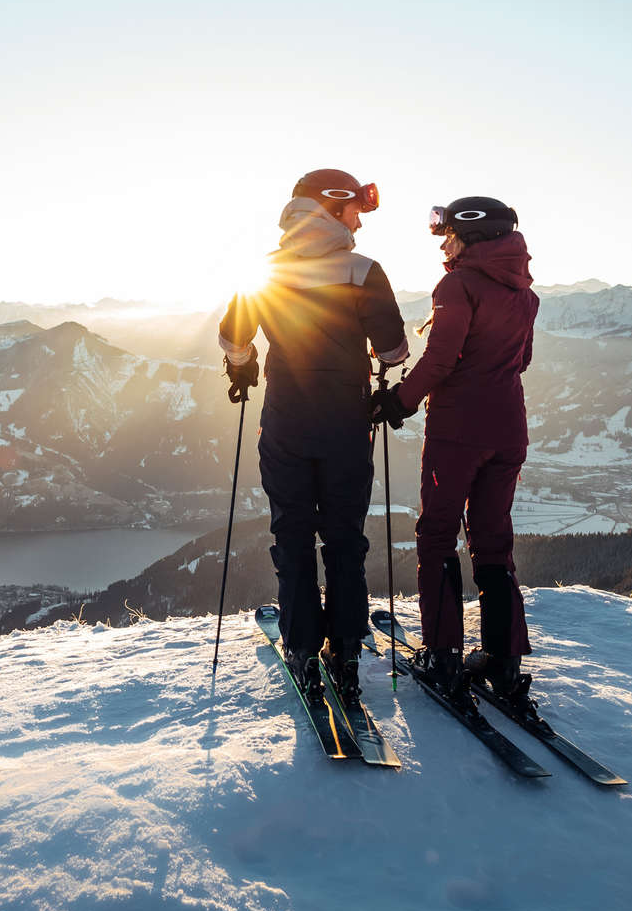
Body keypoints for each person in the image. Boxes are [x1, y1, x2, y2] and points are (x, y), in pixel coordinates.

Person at [220, 168, 409, 707]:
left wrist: (244, 366)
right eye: (355, 212)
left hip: (285, 424)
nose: (359, 223)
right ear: (332, 207)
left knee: (293, 536)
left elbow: (233, 338)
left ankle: (303, 647)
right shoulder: (363, 270)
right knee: (345, 538)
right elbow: (394, 349)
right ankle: (346, 648)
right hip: (347, 426)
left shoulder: (266, 270)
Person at [370, 196, 540, 710]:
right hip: (509, 431)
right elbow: (523, 359)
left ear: (471, 234)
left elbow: (440, 359)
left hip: (457, 433)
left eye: (448, 234)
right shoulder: (525, 292)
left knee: (438, 535)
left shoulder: (458, 285)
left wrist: (397, 401)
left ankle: (443, 655)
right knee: (493, 543)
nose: (444, 243)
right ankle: (504, 662)